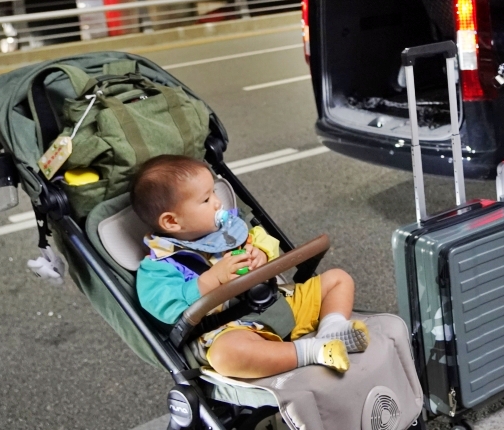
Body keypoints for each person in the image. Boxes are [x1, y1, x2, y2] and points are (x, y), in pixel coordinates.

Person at [132, 154, 368, 378]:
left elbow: (262, 238)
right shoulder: (158, 266)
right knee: (225, 356)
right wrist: (210, 280)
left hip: (275, 302)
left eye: (214, 193)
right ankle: (311, 351)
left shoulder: (228, 231)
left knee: (338, 278)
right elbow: (166, 307)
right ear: (172, 221)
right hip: (231, 329)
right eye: (205, 200)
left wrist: (262, 254)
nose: (217, 203)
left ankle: (332, 330)